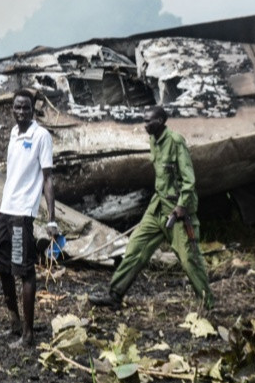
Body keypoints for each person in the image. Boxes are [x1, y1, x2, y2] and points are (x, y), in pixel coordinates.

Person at [89, 105, 214, 310]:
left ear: (162, 121)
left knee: (189, 260)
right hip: (157, 207)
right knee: (135, 248)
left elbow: (189, 179)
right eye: (144, 121)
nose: (145, 125)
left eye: (149, 121)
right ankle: (115, 295)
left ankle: (207, 304)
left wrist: (182, 206)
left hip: (177, 213)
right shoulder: (154, 141)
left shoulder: (175, 142)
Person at [0, 89, 60, 347]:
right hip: (7, 213)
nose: (21, 113)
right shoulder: (13, 134)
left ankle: (28, 335)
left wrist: (51, 218)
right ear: (12, 109)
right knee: (3, 268)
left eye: (26, 108)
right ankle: (14, 324)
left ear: (33, 109)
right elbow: (12, 179)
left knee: (24, 271)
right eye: (17, 108)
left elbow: (48, 178)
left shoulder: (41, 136)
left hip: (23, 216)